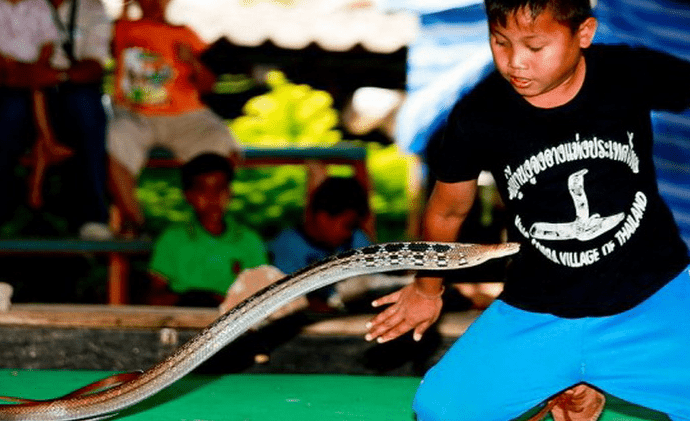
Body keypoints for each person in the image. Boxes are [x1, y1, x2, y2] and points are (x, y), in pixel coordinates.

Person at [365, 0, 690, 419]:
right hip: (537, 310)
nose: (515, 62)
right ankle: (567, 376)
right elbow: (448, 211)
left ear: (584, 34)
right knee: (440, 410)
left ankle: (587, 378)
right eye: (500, 43)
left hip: (653, 295)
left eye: (535, 47)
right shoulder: (477, 114)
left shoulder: (627, 72)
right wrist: (428, 289)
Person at [108, 0, 241, 235]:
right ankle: (134, 222)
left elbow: (208, 85)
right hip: (135, 115)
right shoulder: (121, 28)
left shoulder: (184, 33)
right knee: (114, 138)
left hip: (185, 117)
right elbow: (103, 47)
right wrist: (125, 12)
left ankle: (208, 226)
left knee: (221, 140)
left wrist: (192, 62)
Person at [147, 153, 268, 307]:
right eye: (202, 189)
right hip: (184, 321)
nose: (213, 197)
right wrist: (196, 299)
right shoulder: (171, 239)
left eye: (219, 188)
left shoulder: (249, 241)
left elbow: (262, 299)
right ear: (188, 195)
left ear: (230, 192)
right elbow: (154, 298)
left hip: (235, 323)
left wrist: (223, 303)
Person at [46, 0, 112, 237]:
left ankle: (91, 218)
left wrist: (54, 76)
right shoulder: (17, 6)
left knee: (85, 106)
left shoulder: (92, 8)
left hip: (68, 92)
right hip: (20, 91)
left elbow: (94, 66)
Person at [269, 176, 371, 312]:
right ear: (323, 218)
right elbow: (282, 298)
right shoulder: (287, 246)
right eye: (348, 225)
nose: (349, 233)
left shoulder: (356, 239)